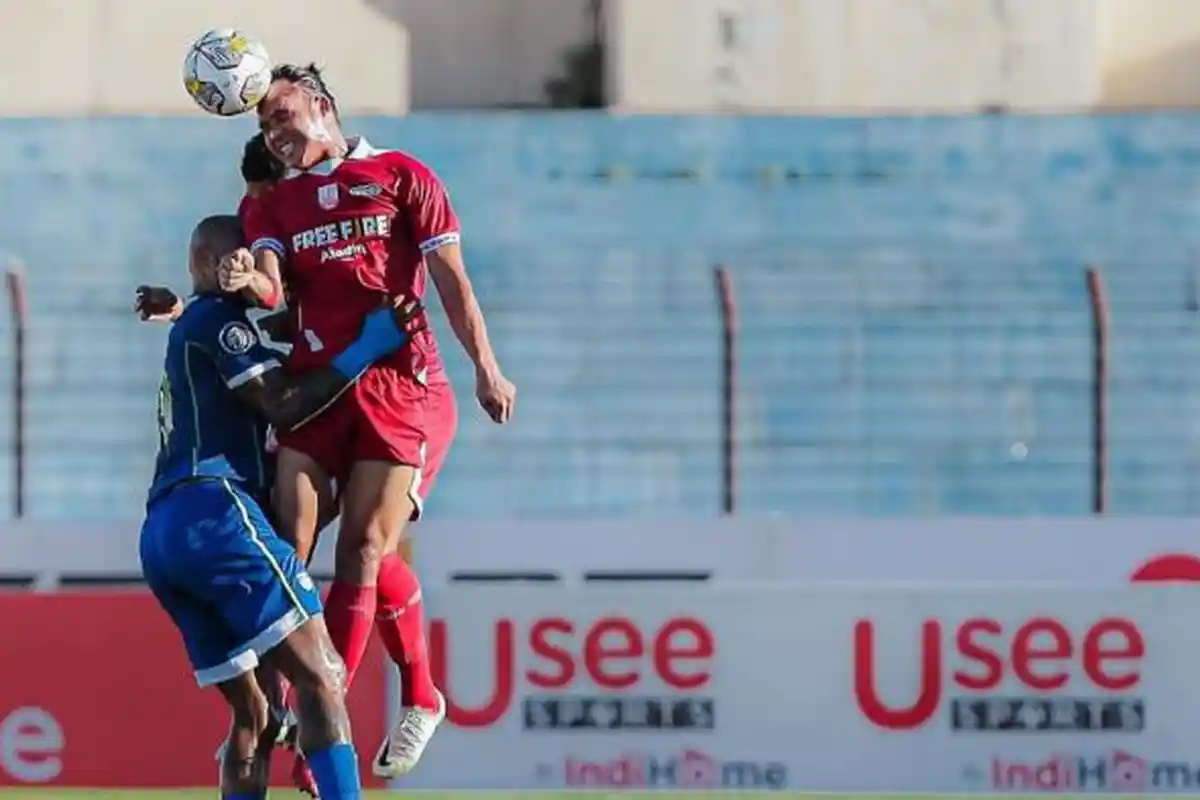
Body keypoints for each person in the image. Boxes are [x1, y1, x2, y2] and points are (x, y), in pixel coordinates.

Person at [225, 63, 517, 777]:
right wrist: (246, 279)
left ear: (321, 105)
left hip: (400, 387)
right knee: (288, 547)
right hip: (319, 392)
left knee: (360, 548)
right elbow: (271, 284)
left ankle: (325, 725)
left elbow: (450, 278)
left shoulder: (402, 175)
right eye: (264, 124)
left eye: (282, 114)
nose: (275, 132)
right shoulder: (273, 202)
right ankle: (396, 695)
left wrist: (487, 366)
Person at [139, 212, 424, 799]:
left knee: (254, 716)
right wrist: (365, 348)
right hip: (216, 511)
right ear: (214, 262)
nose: (260, 271)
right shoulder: (220, 322)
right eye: (246, 258)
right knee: (322, 677)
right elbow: (283, 402)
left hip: (162, 532)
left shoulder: (195, 324)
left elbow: (260, 352)